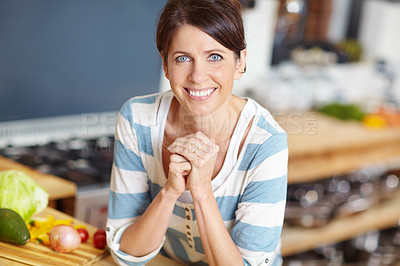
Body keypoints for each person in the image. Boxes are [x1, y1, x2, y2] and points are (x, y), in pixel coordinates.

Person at [105, 0, 288, 265]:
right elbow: (126, 253)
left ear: (240, 62)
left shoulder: (265, 143)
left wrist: (201, 191)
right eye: (182, 58)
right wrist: (169, 192)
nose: (198, 76)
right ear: (165, 66)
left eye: (215, 57)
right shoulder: (137, 120)